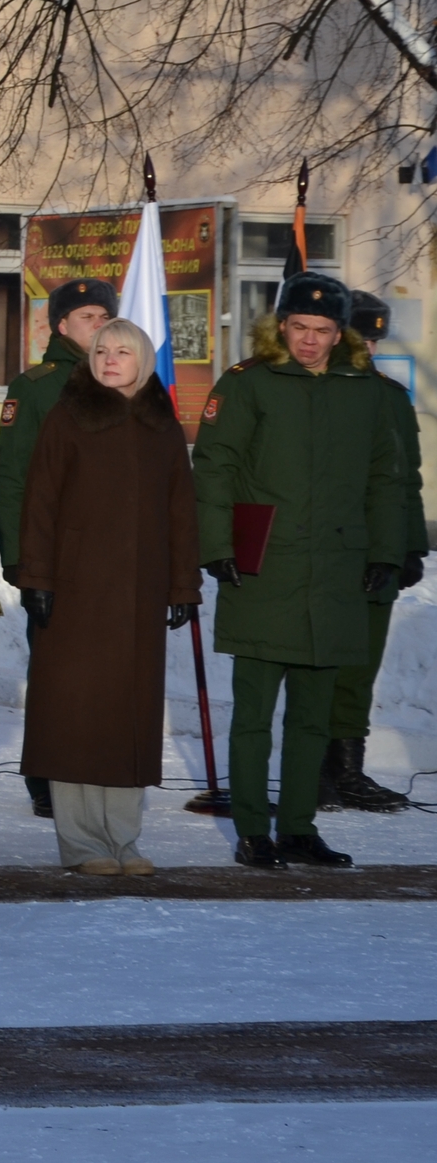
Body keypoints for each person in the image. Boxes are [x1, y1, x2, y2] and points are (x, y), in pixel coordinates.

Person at [193, 272, 407, 869]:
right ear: (279, 326)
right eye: (299, 328)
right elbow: (214, 468)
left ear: (341, 334)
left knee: (313, 716)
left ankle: (299, 828)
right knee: (255, 716)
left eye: (322, 330)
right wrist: (217, 548)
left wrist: (386, 552)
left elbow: (384, 480)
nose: (310, 341)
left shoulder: (366, 392)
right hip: (264, 570)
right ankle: (254, 832)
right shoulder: (249, 384)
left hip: (336, 574)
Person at [13, 320, 199, 875]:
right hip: (75, 593)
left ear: (143, 359)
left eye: (122, 351)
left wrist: (182, 586)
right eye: (101, 350)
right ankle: (82, 843)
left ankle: (123, 839)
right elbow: (39, 502)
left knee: (127, 716)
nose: (110, 359)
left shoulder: (162, 425)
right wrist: (38, 580)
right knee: (75, 717)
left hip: (139, 597)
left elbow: (181, 513)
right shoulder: (67, 418)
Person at [0, 277, 119, 819]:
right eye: (88, 316)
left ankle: (91, 763)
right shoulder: (37, 387)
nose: (98, 325)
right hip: (56, 555)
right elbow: (13, 477)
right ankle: (44, 771)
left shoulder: (123, 378)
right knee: (53, 669)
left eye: (104, 315)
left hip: (113, 555)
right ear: (60, 324)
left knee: (107, 667)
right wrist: (21, 558)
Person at [322, 291, 424, 813]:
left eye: (377, 336)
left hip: (378, 552)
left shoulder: (391, 396)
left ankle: (347, 771)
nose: (371, 344)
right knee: (318, 665)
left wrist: (411, 547)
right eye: (363, 334)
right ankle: (313, 769)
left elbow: (407, 480)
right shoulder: (317, 392)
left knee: (361, 667)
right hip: (327, 550)